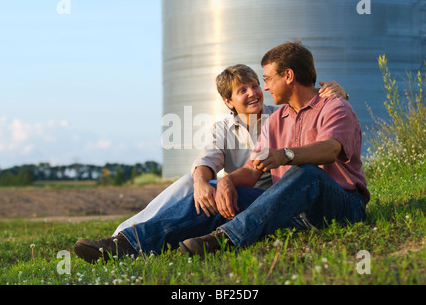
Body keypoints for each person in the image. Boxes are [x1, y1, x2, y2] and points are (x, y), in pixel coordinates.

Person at [73, 62, 349, 263]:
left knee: (213, 189)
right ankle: (124, 240)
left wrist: (339, 93)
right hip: (245, 190)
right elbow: (208, 160)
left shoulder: (279, 117)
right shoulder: (223, 128)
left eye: (255, 85)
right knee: (193, 184)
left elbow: (316, 115)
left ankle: (131, 240)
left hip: (275, 193)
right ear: (229, 101)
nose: (253, 92)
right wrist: (203, 182)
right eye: (243, 90)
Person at [180, 41, 369, 256]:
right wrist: (227, 181)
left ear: (288, 76)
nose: (265, 87)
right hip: (294, 207)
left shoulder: (335, 105)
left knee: (309, 174)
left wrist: (285, 155)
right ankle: (140, 240)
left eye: (267, 80)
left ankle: (228, 237)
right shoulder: (276, 119)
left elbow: (331, 149)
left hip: (342, 204)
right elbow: (252, 169)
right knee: (222, 191)